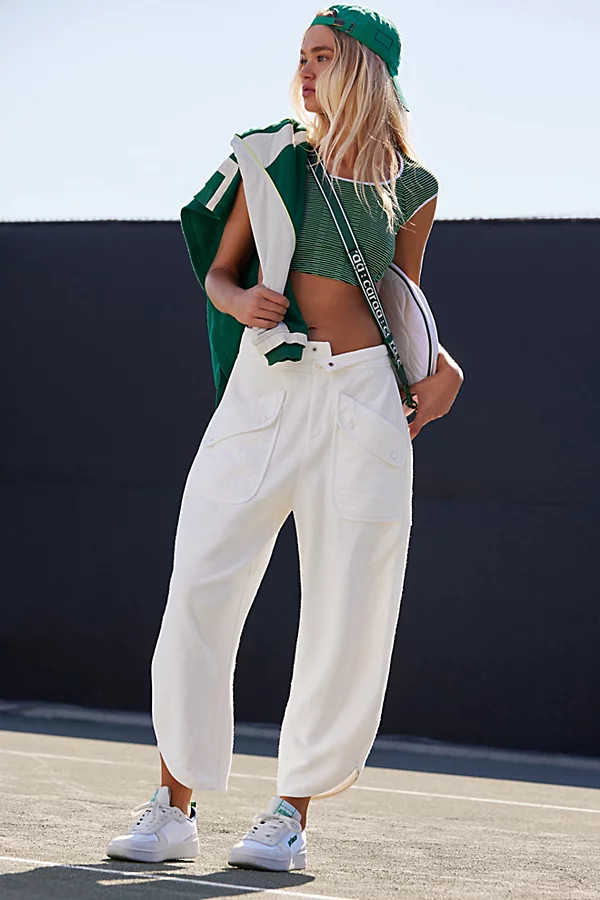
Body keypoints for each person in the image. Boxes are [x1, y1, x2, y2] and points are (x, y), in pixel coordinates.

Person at [106, 3, 463, 873]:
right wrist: (241, 302)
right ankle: (173, 806)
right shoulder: (272, 157)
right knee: (201, 582)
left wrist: (443, 368)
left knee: (347, 607)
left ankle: (289, 816)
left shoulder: (414, 186)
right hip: (267, 386)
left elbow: (401, 302)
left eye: (324, 55)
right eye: (301, 55)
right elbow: (221, 273)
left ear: (366, 69)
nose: (305, 69)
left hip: (363, 399)